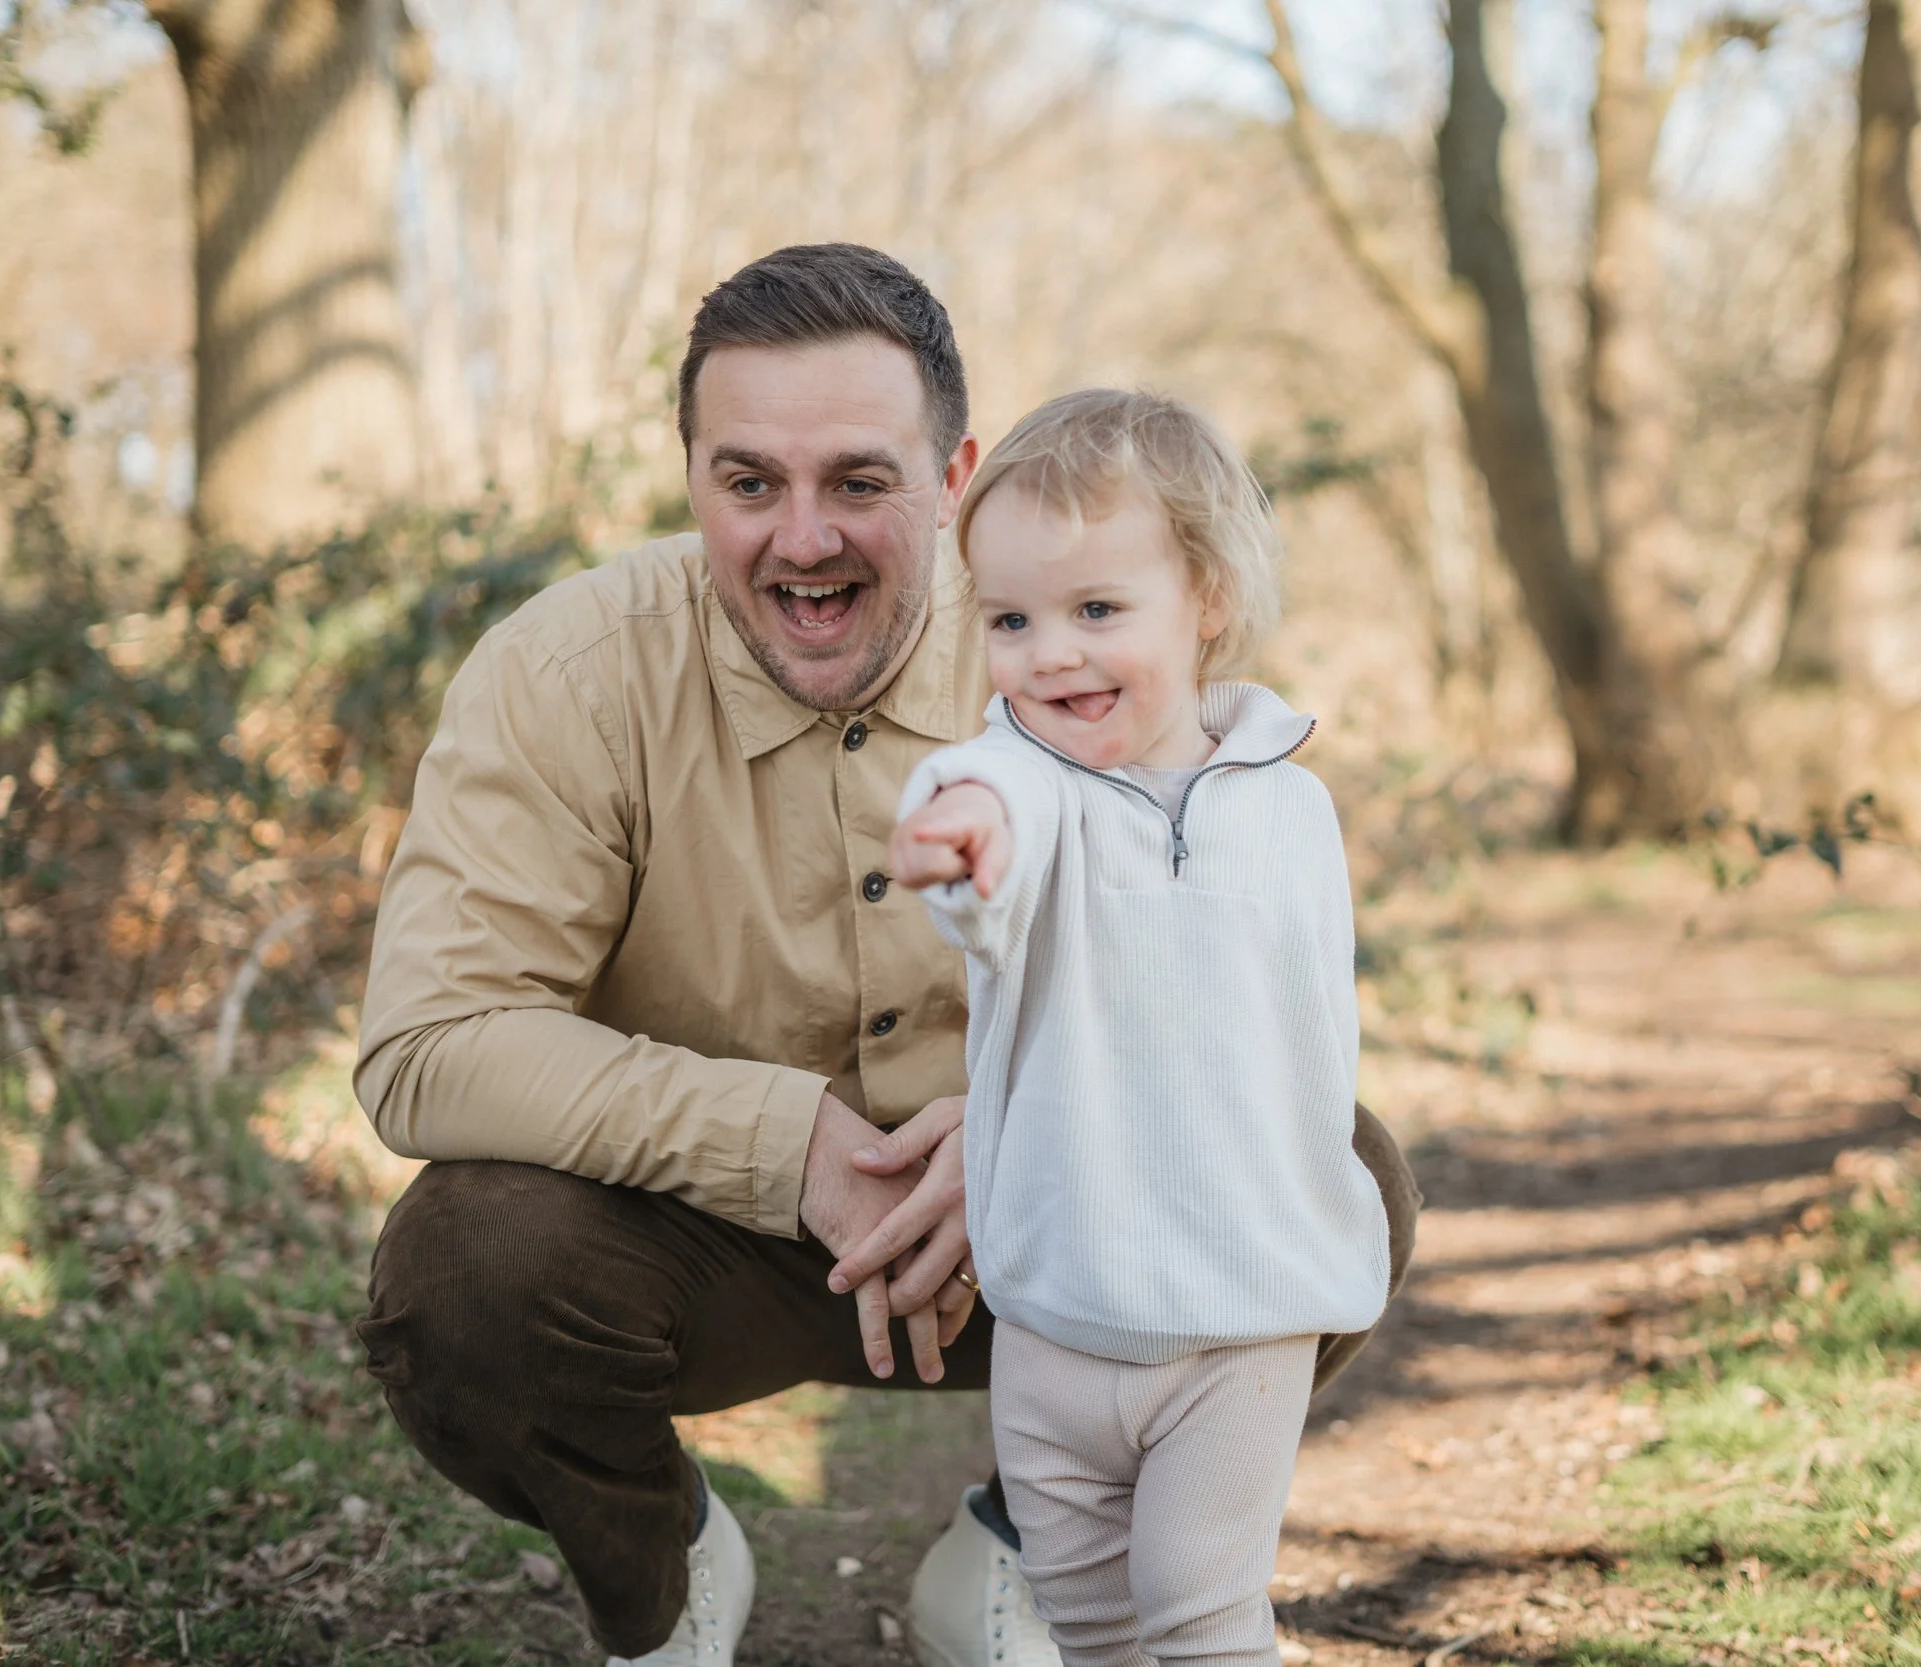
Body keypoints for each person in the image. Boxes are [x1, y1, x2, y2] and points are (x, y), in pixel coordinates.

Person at [349, 244, 1419, 1667]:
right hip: (697, 1237)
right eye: (749, 483)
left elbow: (1215, 958)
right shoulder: (563, 676)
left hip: (1035, 1224)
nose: (803, 539)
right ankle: (662, 1563)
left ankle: (1030, 1548)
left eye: (859, 481)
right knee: (461, 1274)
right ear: (693, 480)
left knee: (1341, 1177)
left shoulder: (1069, 649)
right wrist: (780, 1141)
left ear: (953, 475)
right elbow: (427, 1041)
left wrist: (1023, 1119)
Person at [878, 389, 1383, 1667]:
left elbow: (1309, 1038)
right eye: (1012, 619)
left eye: (1099, 610)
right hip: (1055, 1313)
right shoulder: (1028, 784)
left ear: (1205, 597)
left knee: (1201, 1608)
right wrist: (963, 843)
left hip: (1239, 1315)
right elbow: (991, 800)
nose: (1053, 654)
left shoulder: (1290, 807)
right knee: (1089, 1620)